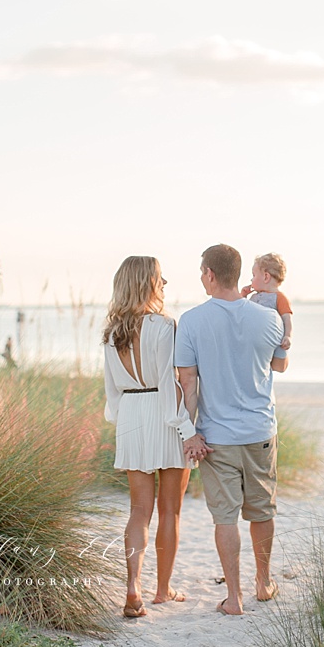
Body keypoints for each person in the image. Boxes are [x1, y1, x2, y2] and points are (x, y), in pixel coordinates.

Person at [175, 244, 289, 616]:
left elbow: (188, 386)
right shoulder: (268, 319)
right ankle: (264, 582)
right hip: (259, 431)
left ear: (209, 274)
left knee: (225, 517)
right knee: (261, 510)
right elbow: (280, 366)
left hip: (216, 437)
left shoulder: (191, 321)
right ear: (237, 274)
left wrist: (187, 432)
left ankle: (235, 597)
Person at [103, 256, 196, 619]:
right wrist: (187, 429)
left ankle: (132, 587)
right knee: (170, 511)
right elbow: (170, 383)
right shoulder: (164, 326)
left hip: (130, 414)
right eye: (160, 278)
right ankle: (161, 590)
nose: (164, 283)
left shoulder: (111, 333)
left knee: (139, 511)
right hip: (163, 414)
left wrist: (123, 420)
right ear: (147, 283)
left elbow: (111, 390)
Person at [240, 252, 293, 350]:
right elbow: (242, 312)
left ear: (266, 277)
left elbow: (287, 319)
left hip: (269, 342)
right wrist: (243, 296)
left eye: (254, 275)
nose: (251, 280)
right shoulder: (254, 297)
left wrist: (287, 336)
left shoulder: (279, 297)